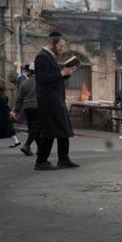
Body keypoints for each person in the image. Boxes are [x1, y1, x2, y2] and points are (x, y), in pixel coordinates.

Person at [34, 31, 78, 170]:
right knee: (51, 130)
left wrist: (67, 73)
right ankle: (41, 161)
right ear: (52, 43)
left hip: (55, 99)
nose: (62, 49)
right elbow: (43, 79)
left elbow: (54, 79)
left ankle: (63, 159)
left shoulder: (49, 56)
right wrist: (62, 73)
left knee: (62, 129)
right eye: (60, 45)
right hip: (49, 100)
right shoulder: (42, 57)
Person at [13, 64, 38, 156]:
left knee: (32, 128)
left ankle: (40, 148)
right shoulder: (42, 82)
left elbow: (19, 99)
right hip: (38, 107)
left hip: (27, 108)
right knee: (36, 128)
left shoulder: (24, 84)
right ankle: (27, 145)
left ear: (29, 72)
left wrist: (16, 111)